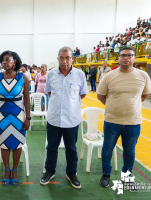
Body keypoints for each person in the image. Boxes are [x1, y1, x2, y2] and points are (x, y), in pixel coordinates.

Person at [97, 47, 151, 188]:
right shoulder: (109, 76)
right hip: (112, 121)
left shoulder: (143, 76)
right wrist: (113, 106)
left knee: (129, 150)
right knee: (108, 148)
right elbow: (100, 95)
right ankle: (106, 174)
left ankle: (126, 176)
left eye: (129, 55)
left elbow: (144, 95)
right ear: (119, 58)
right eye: (123, 55)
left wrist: (131, 106)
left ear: (134, 58)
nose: (126, 58)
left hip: (133, 122)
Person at [40, 46, 88, 189]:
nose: (65, 61)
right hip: (54, 118)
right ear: (58, 59)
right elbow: (49, 92)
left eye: (68, 58)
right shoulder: (51, 74)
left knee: (71, 149)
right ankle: (50, 171)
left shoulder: (80, 75)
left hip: (71, 119)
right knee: (52, 147)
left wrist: (69, 103)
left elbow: (82, 94)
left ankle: (71, 174)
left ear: (72, 58)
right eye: (62, 58)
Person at [0, 50, 30, 186]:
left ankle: (15, 170)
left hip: (19, 115)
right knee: (4, 143)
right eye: (3, 60)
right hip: (2, 115)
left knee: (18, 144)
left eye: (8, 59)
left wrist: (28, 118)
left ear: (15, 62)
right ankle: (6, 170)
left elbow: (26, 99)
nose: (4, 62)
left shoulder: (23, 77)